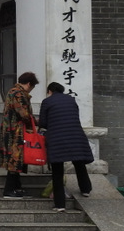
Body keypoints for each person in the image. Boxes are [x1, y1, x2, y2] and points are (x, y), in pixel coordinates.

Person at [37, 81, 94, 212]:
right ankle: (86, 189)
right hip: (75, 135)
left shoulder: (47, 102)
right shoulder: (71, 100)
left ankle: (60, 205)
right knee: (79, 163)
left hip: (57, 139)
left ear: (50, 91)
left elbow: (43, 123)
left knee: (57, 171)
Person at [0, 71, 39, 199]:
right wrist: (36, 122)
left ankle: (17, 187)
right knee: (14, 160)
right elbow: (24, 114)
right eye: (32, 87)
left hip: (10, 130)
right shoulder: (19, 94)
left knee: (15, 160)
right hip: (15, 132)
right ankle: (9, 190)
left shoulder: (12, 91)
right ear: (29, 84)